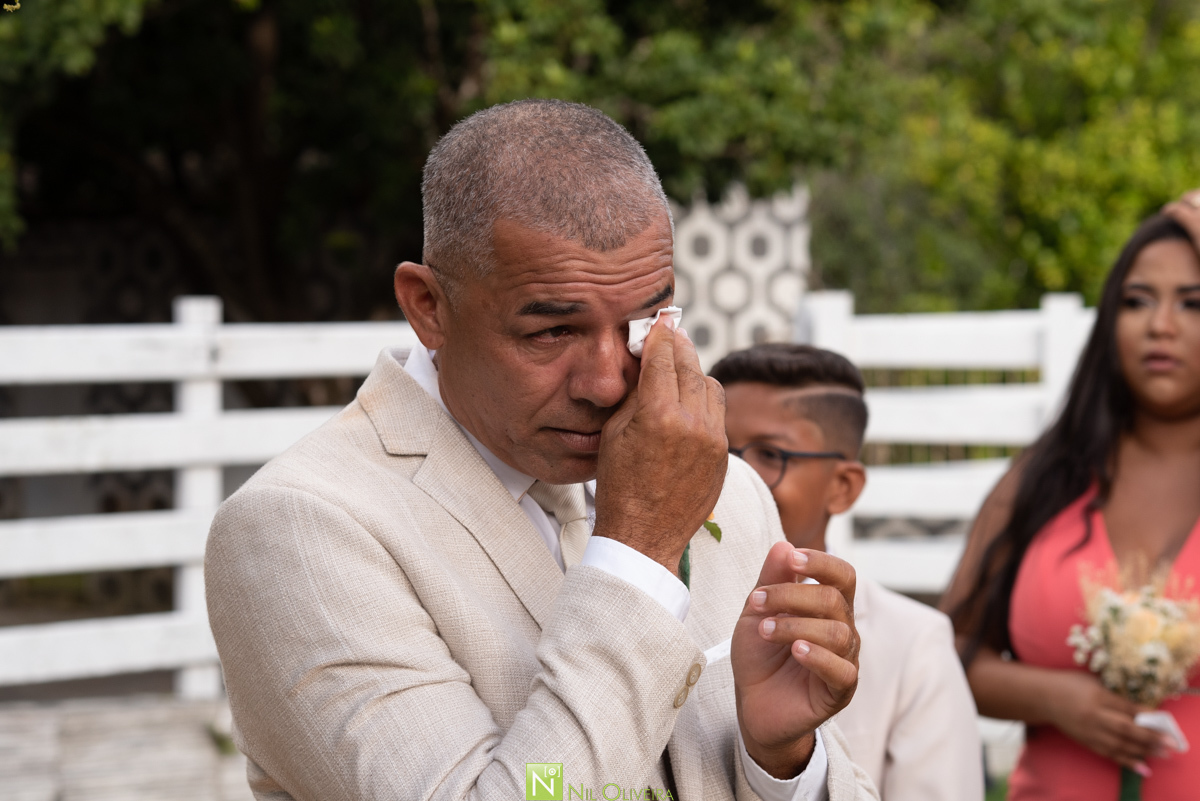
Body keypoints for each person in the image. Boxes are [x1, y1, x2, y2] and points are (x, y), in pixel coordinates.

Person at [205, 99, 877, 801]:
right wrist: (639, 555)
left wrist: (783, 763)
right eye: (552, 332)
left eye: (645, 320)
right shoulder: (301, 527)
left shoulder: (726, 490)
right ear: (428, 306)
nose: (609, 379)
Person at [941, 197, 1200, 800]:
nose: (1161, 325)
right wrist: (1058, 699)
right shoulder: (1046, 475)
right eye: (1137, 301)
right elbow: (950, 650)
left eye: (1194, 303)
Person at [712, 343, 983, 801]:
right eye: (718, 447)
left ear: (843, 487)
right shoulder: (660, 600)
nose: (734, 476)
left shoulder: (914, 646)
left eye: (770, 455)